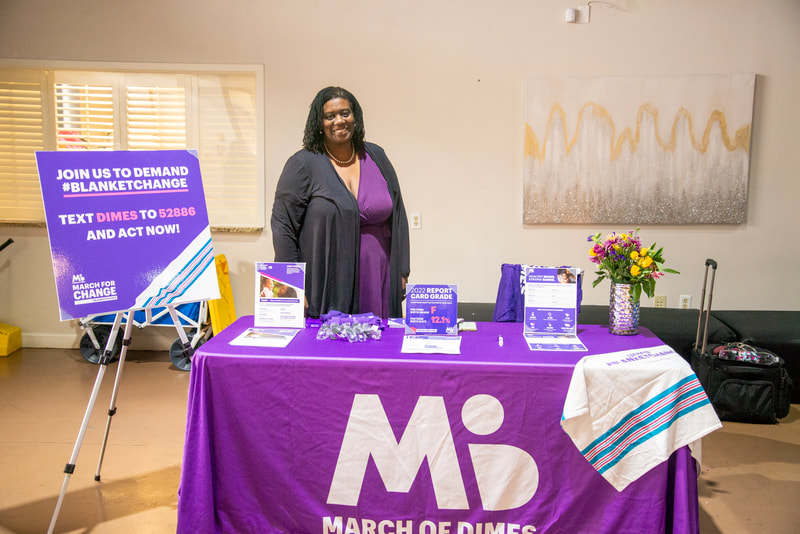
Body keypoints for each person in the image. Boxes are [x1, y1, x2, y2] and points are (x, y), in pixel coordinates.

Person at [271, 86, 410, 319]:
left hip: (378, 275)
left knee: (379, 339)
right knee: (332, 338)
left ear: (355, 116)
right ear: (319, 122)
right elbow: (283, 225)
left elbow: (398, 215)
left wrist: (402, 271)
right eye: (330, 116)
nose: (339, 121)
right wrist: (291, 286)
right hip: (327, 278)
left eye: (345, 113)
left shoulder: (376, 156)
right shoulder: (303, 164)